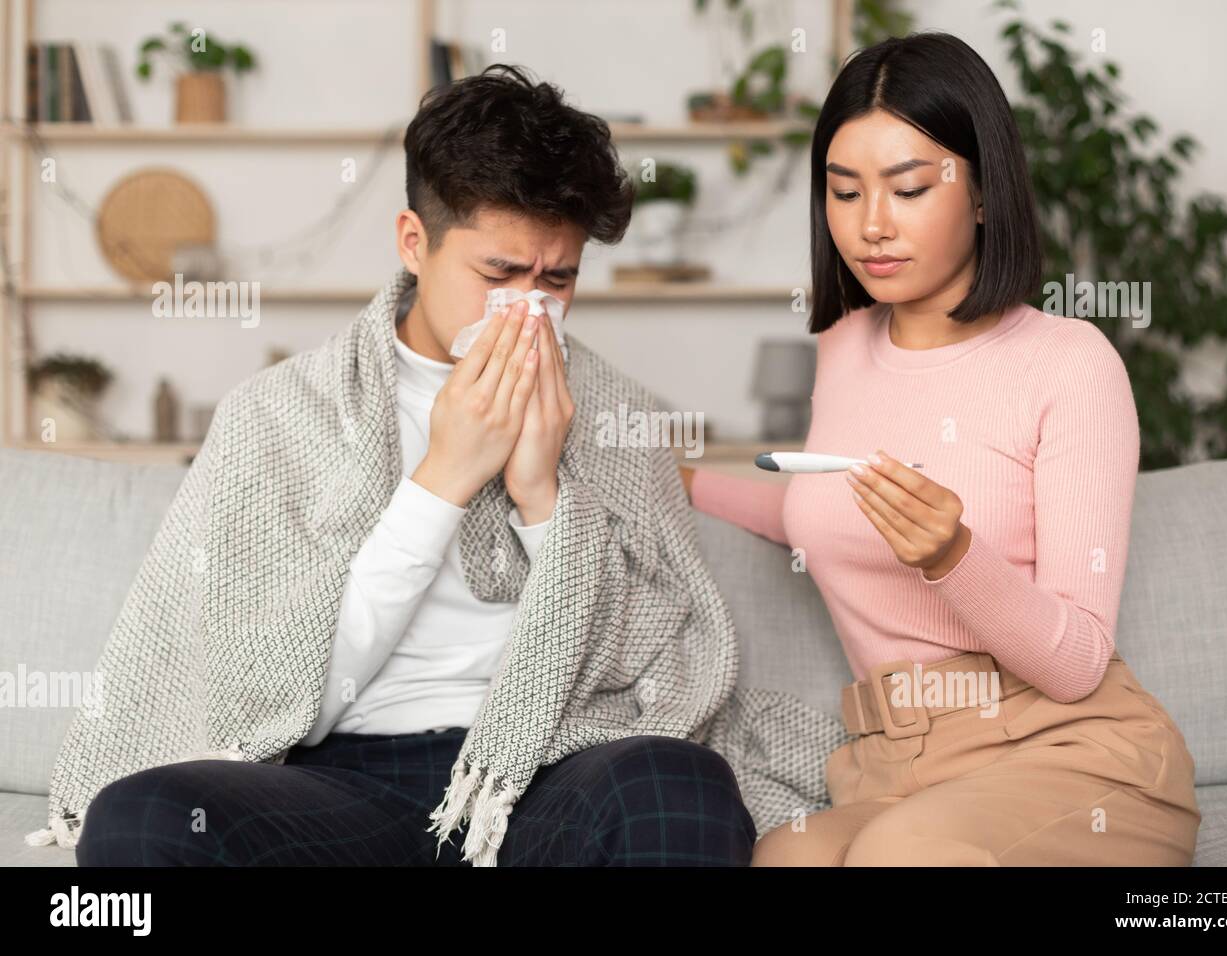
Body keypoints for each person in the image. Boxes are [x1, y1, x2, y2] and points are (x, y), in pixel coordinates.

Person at [69, 65, 755, 867]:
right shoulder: (281, 413)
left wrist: (542, 497)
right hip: (341, 780)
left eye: (558, 279)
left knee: (682, 785)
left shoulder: (613, 415)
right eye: (499, 274)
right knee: (142, 817)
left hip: (543, 767)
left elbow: (652, 675)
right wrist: (444, 477)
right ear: (413, 243)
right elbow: (271, 698)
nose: (529, 308)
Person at [682, 32, 1200, 866]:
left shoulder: (1070, 363)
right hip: (896, 768)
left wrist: (954, 555)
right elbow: (821, 504)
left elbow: (1075, 663)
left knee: (902, 856)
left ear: (985, 194)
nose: (872, 225)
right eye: (844, 192)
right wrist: (677, 481)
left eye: (910, 187)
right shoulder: (844, 344)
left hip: (1069, 754)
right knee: (789, 856)